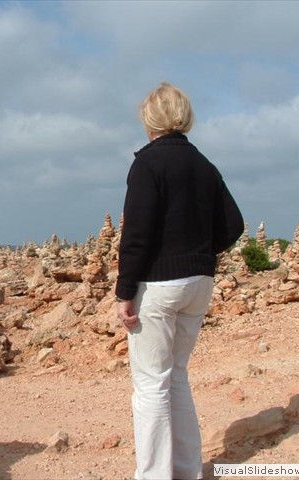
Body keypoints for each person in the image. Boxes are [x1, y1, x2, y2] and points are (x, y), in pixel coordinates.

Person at [115, 82, 244, 480]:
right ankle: (188, 471)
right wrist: (199, 252)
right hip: (199, 282)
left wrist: (124, 292)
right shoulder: (204, 165)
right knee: (177, 378)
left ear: (149, 119)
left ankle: (153, 475)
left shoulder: (148, 164)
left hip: (159, 285)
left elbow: (136, 234)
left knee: (151, 384)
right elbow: (234, 226)